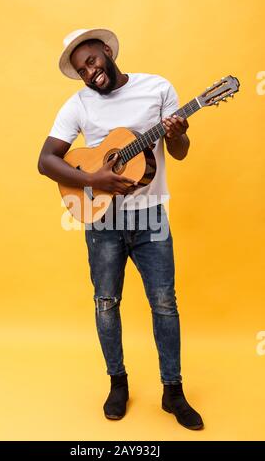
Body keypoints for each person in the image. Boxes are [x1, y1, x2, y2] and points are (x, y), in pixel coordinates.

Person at [38, 28, 203, 430]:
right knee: (106, 303)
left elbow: (178, 152)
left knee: (165, 304)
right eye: (81, 70)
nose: (89, 73)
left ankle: (173, 391)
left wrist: (178, 135)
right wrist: (95, 180)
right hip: (103, 221)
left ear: (108, 51)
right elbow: (46, 161)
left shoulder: (156, 88)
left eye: (92, 62)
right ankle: (118, 383)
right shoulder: (78, 104)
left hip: (151, 218)